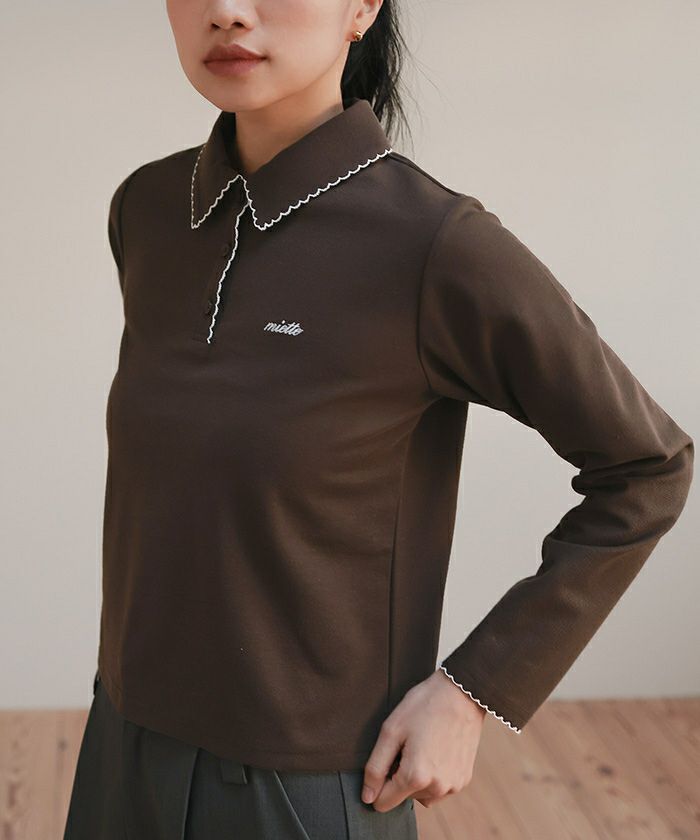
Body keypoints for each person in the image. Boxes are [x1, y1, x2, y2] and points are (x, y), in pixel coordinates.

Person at [62, 0, 694, 838]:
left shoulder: (435, 245)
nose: (227, 12)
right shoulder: (146, 210)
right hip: (122, 743)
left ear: (362, 6)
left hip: (301, 784)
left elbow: (648, 467)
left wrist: (475, 691)